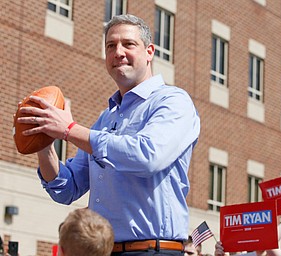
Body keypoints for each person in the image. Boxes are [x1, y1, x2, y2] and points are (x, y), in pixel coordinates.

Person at [17, 14, 200, 255]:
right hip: (101, 250)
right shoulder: (105, 119)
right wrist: (43, 140)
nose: (118, 52)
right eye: (111, 46)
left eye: (128, 44)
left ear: (149, 52)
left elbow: (148, 157)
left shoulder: (173, 101)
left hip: (153, 250)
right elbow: (67, 188)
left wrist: (69, 130)